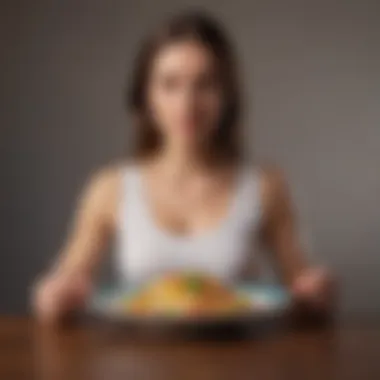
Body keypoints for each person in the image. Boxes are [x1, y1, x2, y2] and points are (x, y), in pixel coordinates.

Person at [32, 11, 334, 323]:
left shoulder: (266, 185)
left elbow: (302, 289)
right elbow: (66, 282)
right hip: (136, 363)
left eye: (205, 84)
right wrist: (54, 296)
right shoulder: (109, 187)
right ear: (146, 97)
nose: (187, 103)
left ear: (227, 95)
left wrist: (315, 291)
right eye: (170, 84)